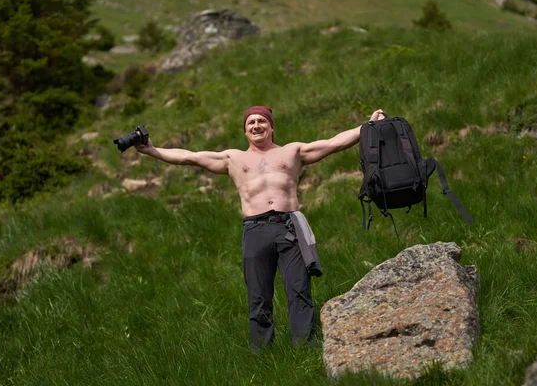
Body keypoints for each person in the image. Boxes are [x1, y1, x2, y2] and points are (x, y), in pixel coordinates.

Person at [135, 106, 386, 350]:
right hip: (255, 230)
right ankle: (262, 353)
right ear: (245, 131)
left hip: (289, 226)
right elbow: (189, 156)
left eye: (261, 121)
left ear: (271, 127)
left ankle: (304, 349)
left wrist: (368, 125)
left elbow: (334, 143)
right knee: (258, 295)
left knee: (299, 290)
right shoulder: (233, 158)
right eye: (251, 123)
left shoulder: (293, 151)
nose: (256, 125)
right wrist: (153, 150)